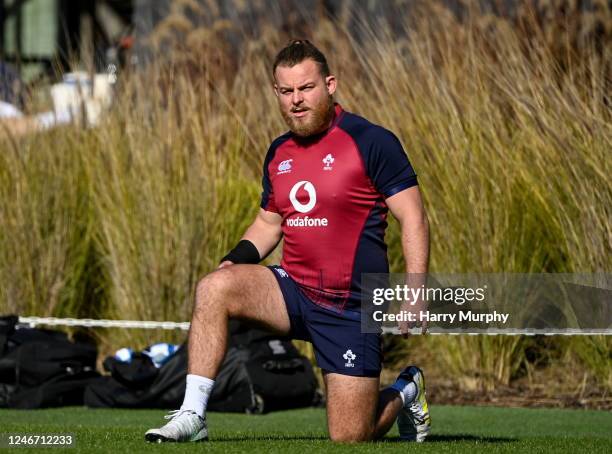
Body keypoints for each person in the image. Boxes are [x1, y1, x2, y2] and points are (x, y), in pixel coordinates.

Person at [145, 39, 431, 443]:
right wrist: (234, 259)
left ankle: (405, 389)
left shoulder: (371, 141)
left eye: (306, 88)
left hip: (351, 307)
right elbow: (268, 222)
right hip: (293, 289)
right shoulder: (279, 151)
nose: (296, 100)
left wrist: (416, 290)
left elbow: (414, 216)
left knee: (352, 436)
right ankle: (192, 415)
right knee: (214, 288)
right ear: (276, 93)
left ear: (330, 85)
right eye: (286, 91)